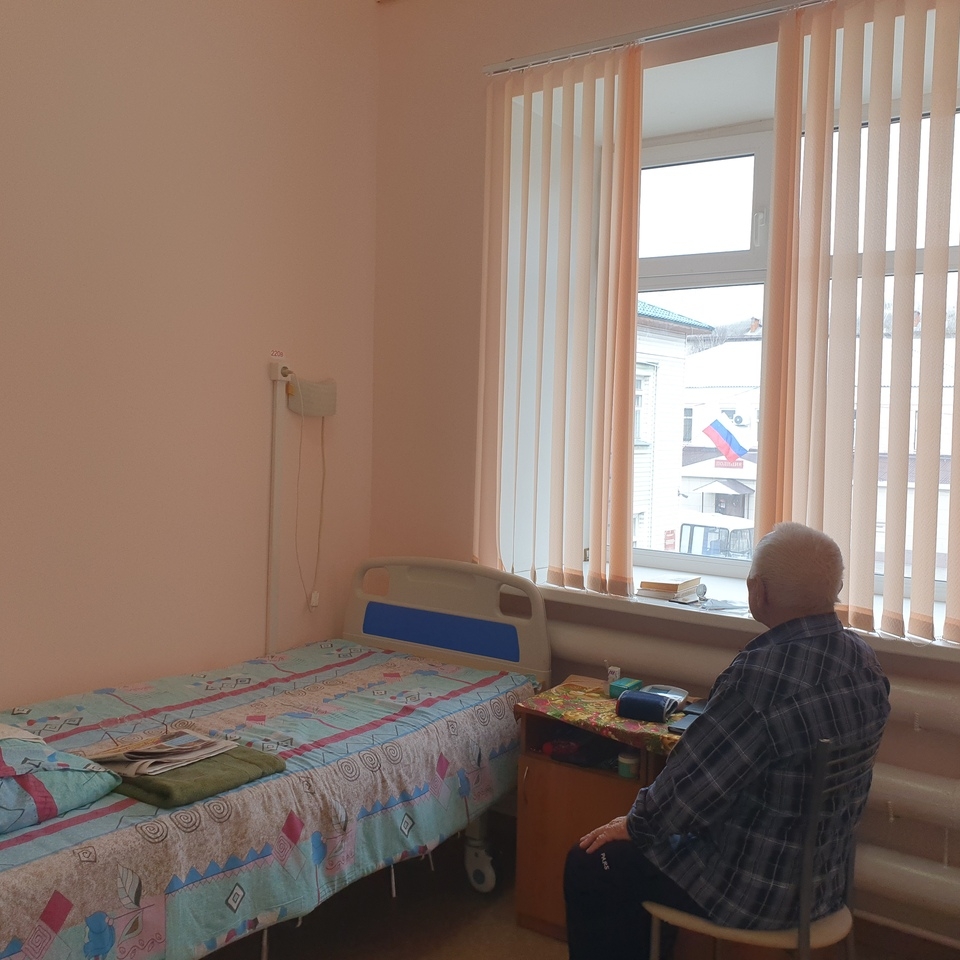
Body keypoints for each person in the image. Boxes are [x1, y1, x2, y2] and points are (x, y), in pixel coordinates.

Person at [563, 522, 890, 960]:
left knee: (591, 863)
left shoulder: (761, 678)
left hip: (752, 893)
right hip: (824, 886)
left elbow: (686, 793)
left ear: (759, 591)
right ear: (836, 589)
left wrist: (633, 824)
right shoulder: (864, 661)